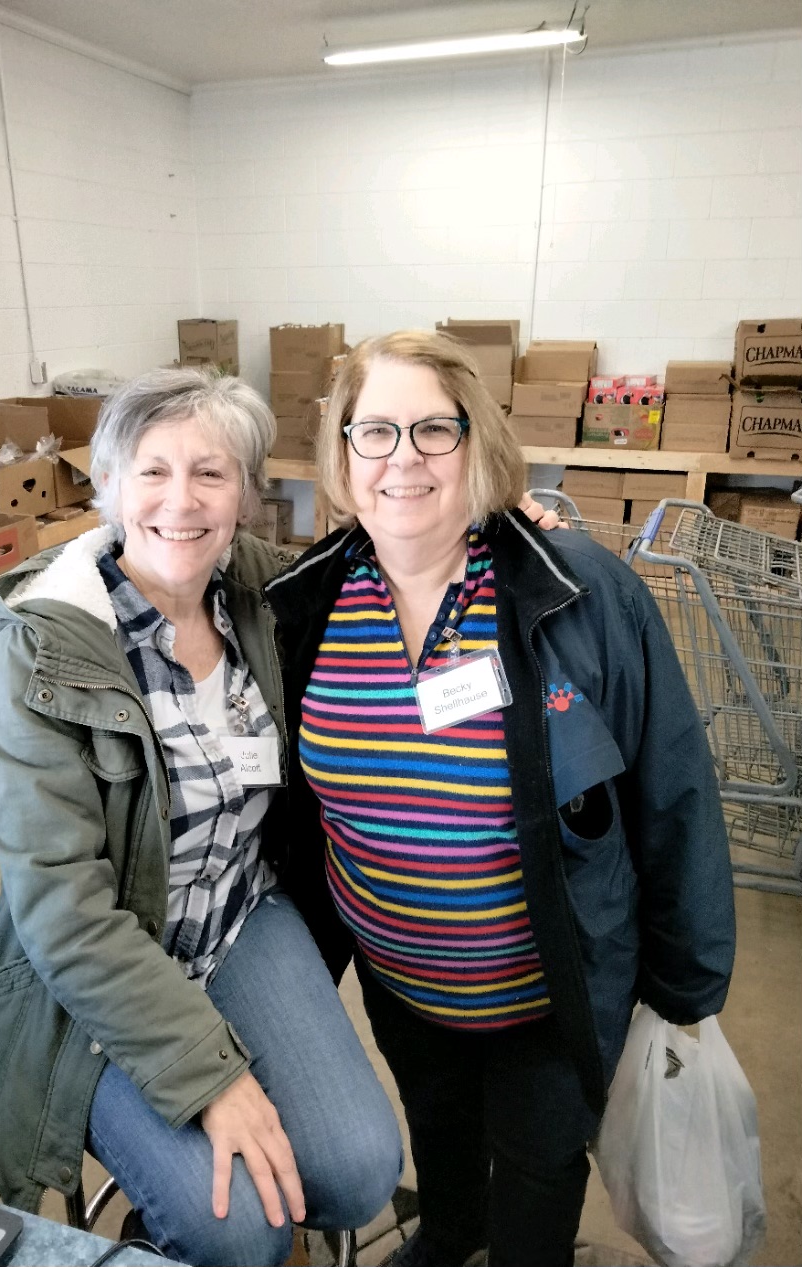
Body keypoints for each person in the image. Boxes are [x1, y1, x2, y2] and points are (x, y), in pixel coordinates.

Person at [263, 330, 737, 1267]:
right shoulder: (308, 604)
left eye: (435, 430)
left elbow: (672, 786)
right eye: (377, 432)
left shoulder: (574, 591)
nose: (404, 458)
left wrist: (687, 982)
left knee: (536, 1165)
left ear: (479, 443)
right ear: (343, 452)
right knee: (438, 1134)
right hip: (398, 975)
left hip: (548, 988)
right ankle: (449, 1235)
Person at [0, 367, 406, 1267]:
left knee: (359, 1170)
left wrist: (499, 531)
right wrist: (211, 1078)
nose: (181, 502)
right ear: (110, 487)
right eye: (152, 472)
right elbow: (64, 912)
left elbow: (395, 556)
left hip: (239, 919)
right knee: (240, 1233)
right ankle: (161, 1230)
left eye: (212, 472)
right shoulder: (47, 649)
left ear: (246, 493)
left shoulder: (265, 595)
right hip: (103, 965)